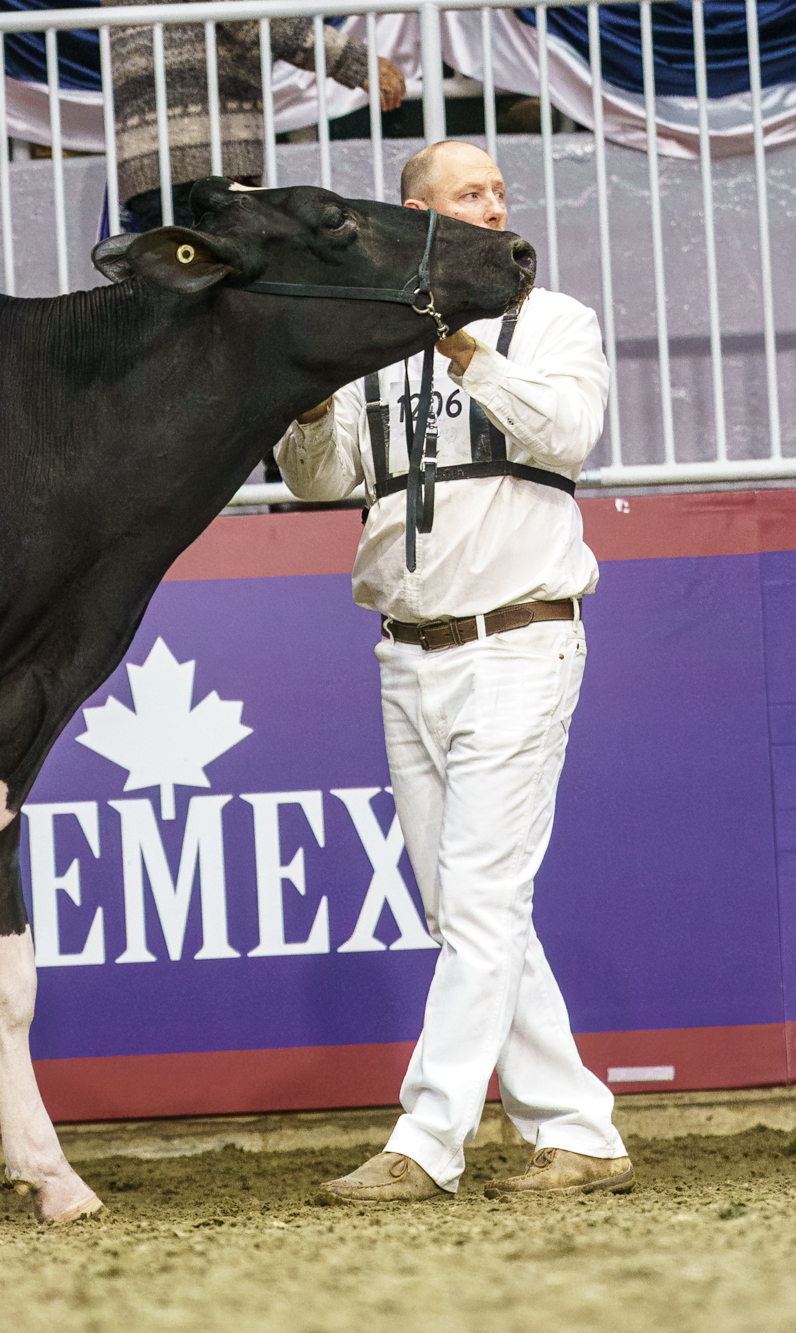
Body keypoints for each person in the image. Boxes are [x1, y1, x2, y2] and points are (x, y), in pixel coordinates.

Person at [275, 140, 632, 1203]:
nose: (493, 206)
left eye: (497, 193)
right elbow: (320, 481)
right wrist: (306, 405)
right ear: (419, 214)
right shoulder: (374, 344)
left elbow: (568, 432)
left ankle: (427, 1138)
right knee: (468, 911)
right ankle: (579, 1129)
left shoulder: (553, 321)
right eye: (470, 194)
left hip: (520, 637)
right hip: (408, 649)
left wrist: (468, 350)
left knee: (476, 903)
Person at [110, 10, 405, 233]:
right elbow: (251, 16)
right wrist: (353, 61)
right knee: (206, 289)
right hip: (195, 151)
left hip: (169, 148)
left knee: (184, 287)